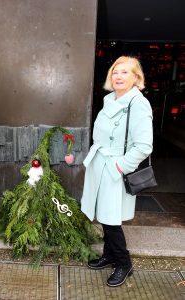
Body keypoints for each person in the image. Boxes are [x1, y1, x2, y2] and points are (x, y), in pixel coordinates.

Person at [80, 56, 153, 287]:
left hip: (115, 169)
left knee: (112, 220)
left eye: (125, 72)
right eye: (115, 72)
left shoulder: (138, 103)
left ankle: (124, 262)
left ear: (136, 78)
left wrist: (119, 166)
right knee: (104, 215)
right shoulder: (110, 99)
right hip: (101, 166)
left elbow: (143, 146)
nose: (118, 76)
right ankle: (109, 254)